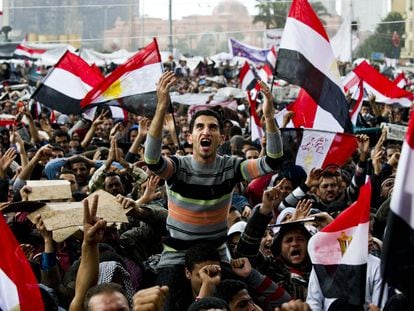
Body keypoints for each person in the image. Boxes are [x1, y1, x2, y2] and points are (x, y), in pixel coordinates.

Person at [144, 72, 284, 270]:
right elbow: (151, 160)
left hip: (216, 254)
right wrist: (160, 108)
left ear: (222, 138)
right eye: (199, 127)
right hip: (177, 256)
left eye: (213, 127)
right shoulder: (178, 167)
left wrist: (269, 117)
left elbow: (273, 161)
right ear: (190, 137)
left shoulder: (231, 167)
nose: (206, 131)